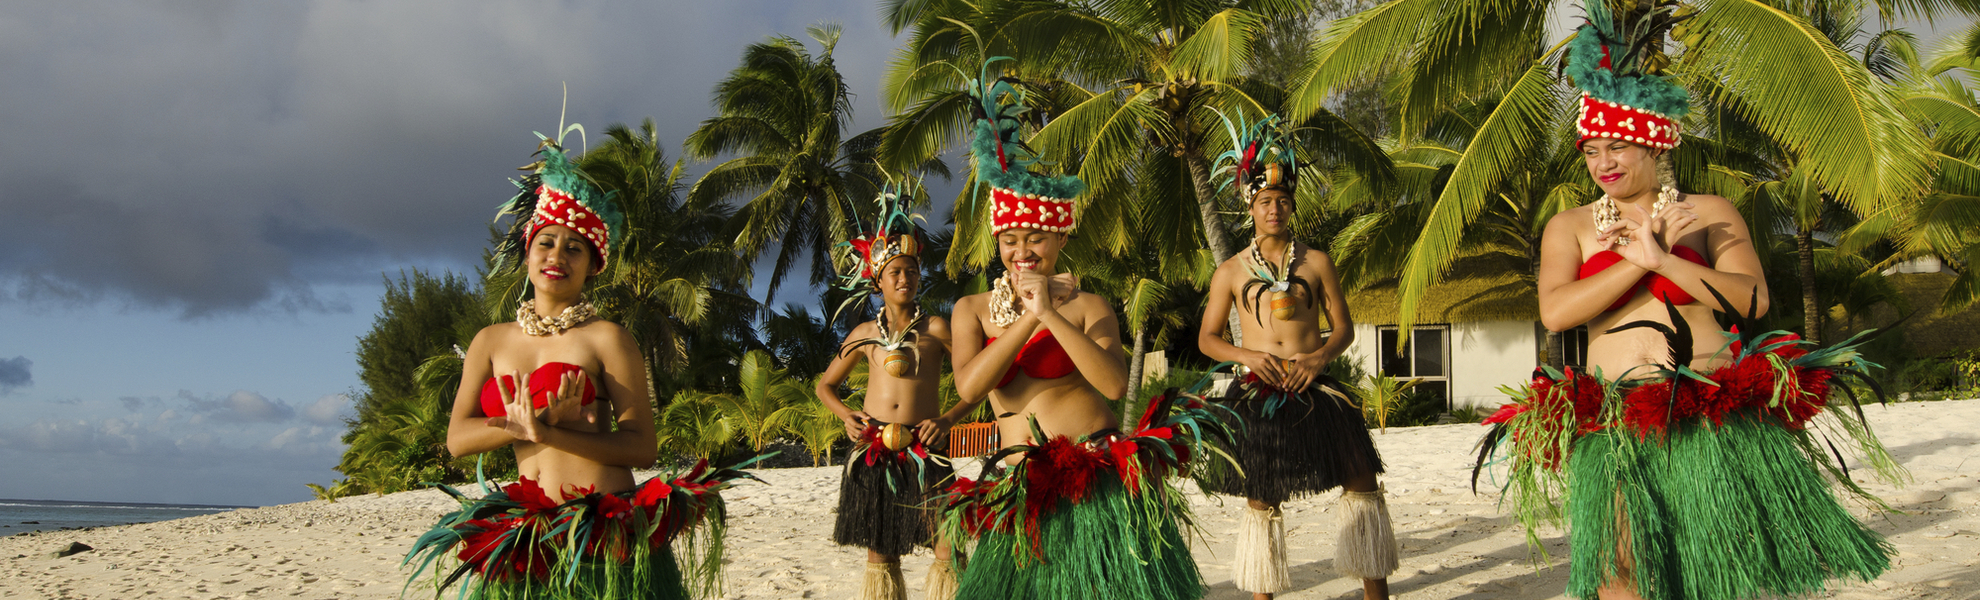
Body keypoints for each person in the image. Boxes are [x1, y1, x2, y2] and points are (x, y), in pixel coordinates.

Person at [1475, 9, 1899, 600]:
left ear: (1656, 143)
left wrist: (1671, 261)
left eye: (1619, 145)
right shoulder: (1569, 226)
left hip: (1711, 407)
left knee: (1721, 572)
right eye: (1592, 149)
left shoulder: (1711, 212)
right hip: (1618, 414)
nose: (1604, 162)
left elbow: (1753, 299)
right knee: (1620, 572)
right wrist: (1638, 261)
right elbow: (1557, 313)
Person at [404, 130, 758, 600]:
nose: (557, 256)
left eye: (575, 248)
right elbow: (458, 439)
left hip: (605, 533)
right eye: (546, 242)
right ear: (527, 253)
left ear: (593, 264)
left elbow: (642, 448)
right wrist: (535, 420)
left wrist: (549, 434)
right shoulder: (490, 341)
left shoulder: (607, 338)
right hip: (532, 539)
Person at [929, 58, 1232, 600]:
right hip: (1019, 483)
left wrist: (1049, 313)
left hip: (1092, 470)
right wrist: (1029, 316)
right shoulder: (971, 310)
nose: (1023, 253)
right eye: (1011, 242)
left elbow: (1115, 385)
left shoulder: (1090, 306)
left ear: (1061, 241)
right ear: (997, 244)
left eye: (1036, 240)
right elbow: (971, 388)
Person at [1196, 114, 1394, 600]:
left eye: (1284, 202)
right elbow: (1207, 338)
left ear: (1292, 207)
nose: (1276, 210)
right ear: (1251, 205)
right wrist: (1246, 356)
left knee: (1361, 482)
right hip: (1258, 389)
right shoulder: (1230, 270)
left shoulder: (1317, 261)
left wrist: (1320, 357)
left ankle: (1377, 594)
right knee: (1263, 495)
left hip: (1316, 384)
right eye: (1266, 201)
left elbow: (1343, 328)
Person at [814, 179, 959, 600]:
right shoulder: (863, 333)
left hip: (925, 445)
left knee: (947, 543)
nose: (906, 278)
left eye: (912, 272)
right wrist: (846, 416)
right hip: (874, 445)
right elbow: (826, 385)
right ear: (878, 279)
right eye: (896, 271)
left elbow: (975, 381)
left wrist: (948, 418)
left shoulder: (936, 328)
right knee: (881, 553)